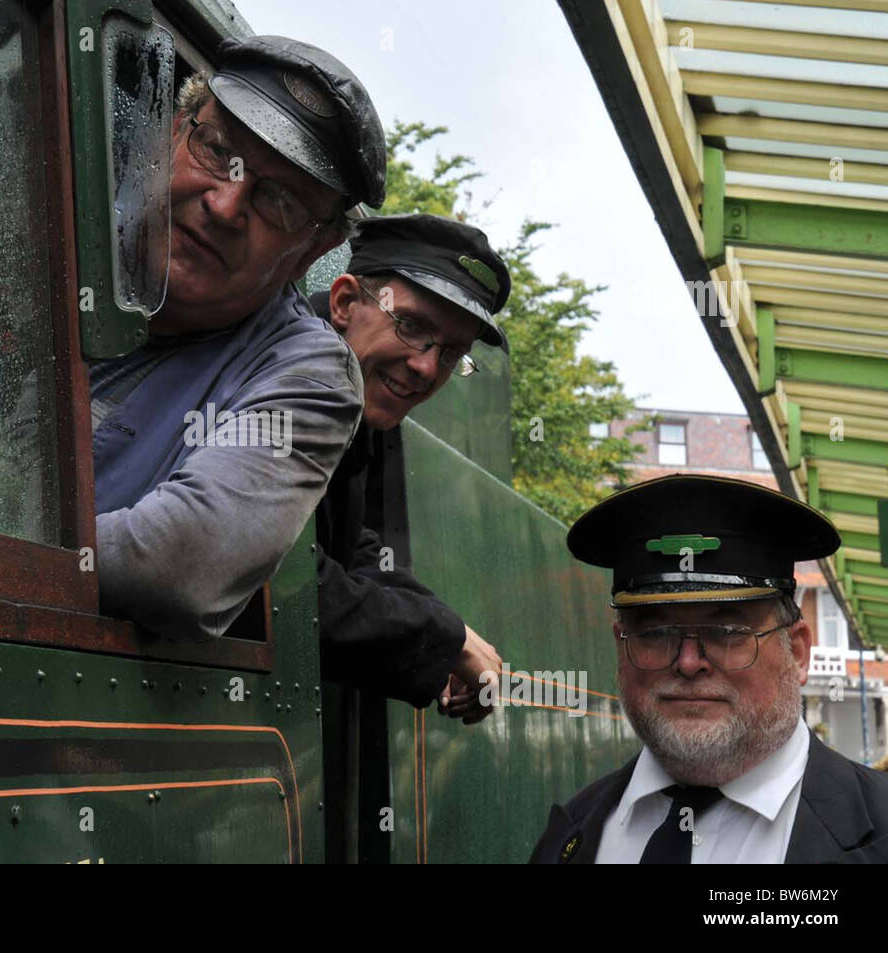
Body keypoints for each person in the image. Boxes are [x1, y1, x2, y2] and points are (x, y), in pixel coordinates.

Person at [91, 36, 386, 639]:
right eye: (216, 150)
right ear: (174, 130)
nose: (226, 206)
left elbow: (173, 568)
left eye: (279, 200)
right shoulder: (48, 229)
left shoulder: (308, 373)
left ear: (318, 247)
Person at [530, 474, 888, 863]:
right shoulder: (571, 833)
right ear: (621, 644)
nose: (688, 663)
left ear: (798, 652)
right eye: (656, 632)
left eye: (727, 632)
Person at [307, 214, 508, 719]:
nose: (424, 367)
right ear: (344, 302)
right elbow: (272, 577)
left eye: (450, 354)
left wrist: (446, 637)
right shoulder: (287, 381)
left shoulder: (352, 405)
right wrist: (448, 640)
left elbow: (346, 546)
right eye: (412, 325)